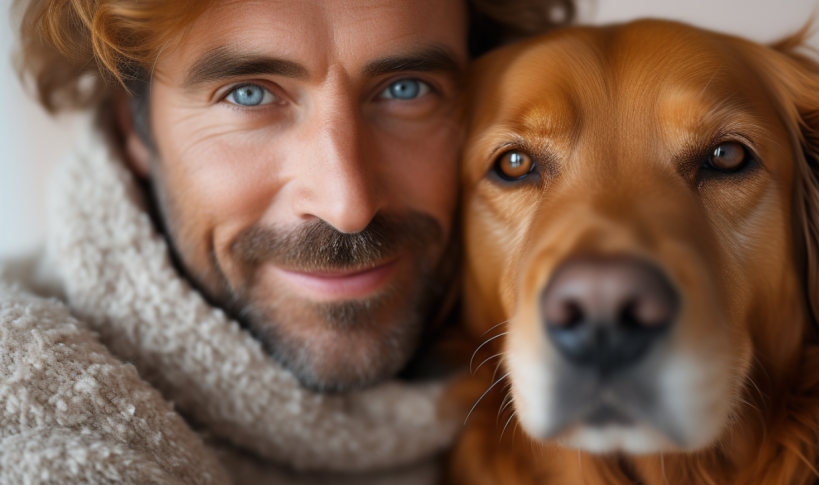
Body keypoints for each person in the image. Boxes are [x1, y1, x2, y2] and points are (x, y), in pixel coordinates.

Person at [0, 0, 573, 483]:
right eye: (249, 94)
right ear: (134, 126)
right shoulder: (34, 406)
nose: (346, 204)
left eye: (406, 88)